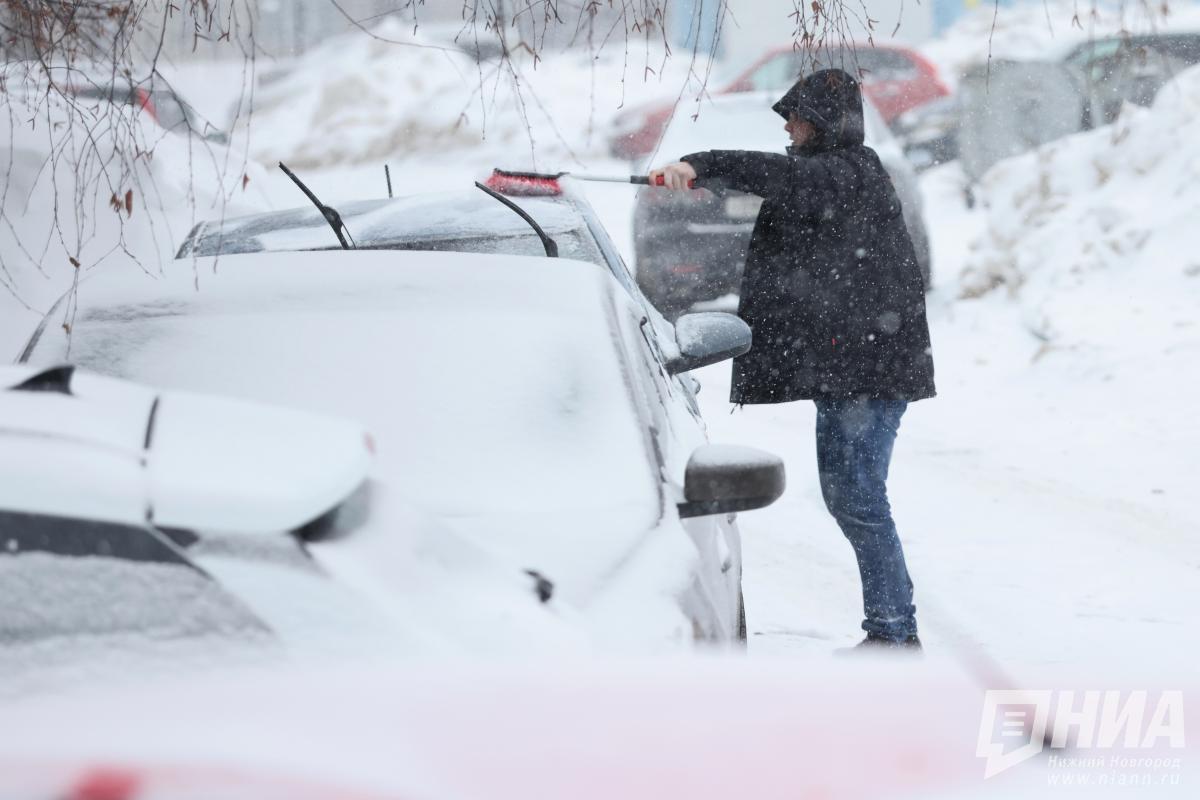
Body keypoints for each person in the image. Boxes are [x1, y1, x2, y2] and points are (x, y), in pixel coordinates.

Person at [649, 68, 935, 651]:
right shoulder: (829, 176)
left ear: (828, 121)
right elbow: (780, 184)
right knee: (849, 498)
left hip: (871, 373)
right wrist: (706, 180)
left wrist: (701, 161)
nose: (792, 127)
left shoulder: (853, 170)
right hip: (850, 369)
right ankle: (893, 628)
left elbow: (782, 177)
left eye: (799, 117)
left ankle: (895, 633)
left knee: (858, 498)